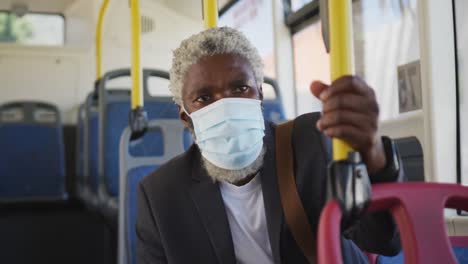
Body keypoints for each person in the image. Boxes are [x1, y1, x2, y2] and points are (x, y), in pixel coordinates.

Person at [136, 27, 403, 264]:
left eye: (240, 89)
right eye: (204, 97)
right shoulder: (162, 195)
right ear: (186, 117)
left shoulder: (312, 142)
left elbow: (385, 241)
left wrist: (372, 152)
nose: (225, 107)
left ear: (260, 95)